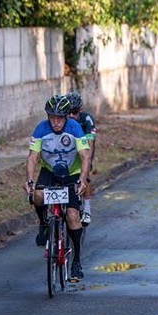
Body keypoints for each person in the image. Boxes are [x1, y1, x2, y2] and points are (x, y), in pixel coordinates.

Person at [24, 94, 92, 282]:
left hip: (71, 173)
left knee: (72, 216)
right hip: (50, 171)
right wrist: (29, 181)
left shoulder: (75, 128)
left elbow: (85, 156)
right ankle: (44, 222)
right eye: (52, 117)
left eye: (59, 118)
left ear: (65, 117)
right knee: (37, 196)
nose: (55, 122)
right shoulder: (41, 129)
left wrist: (82, 180)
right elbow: (32, 157)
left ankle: (76, 261)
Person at [66, 91, 96, 226]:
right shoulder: (61, 120)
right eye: (68, 112)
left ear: (81, 110)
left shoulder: (87, 119)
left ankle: (87, 208)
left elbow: (90, 144)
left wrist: (87, 162)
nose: (71, 116)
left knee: (85, 175)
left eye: (75, 112)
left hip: (83, 150)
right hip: (67, 151)